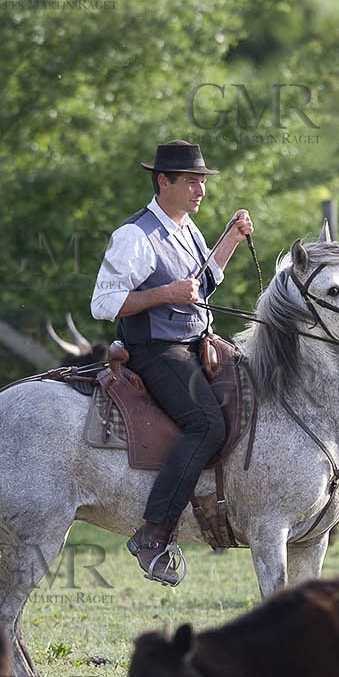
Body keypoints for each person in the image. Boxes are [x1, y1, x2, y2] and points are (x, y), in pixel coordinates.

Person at [90, 140, 254, 585]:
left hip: (195, 343)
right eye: (192, 181)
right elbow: (102, 304)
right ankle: (154, 533)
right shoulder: (135, 236)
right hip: (156, 351)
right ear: (165, 181)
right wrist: (165, 294)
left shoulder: (187, 229)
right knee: (207, 425)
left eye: (203, 181)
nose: (201, 190)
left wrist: (231, 239)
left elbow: (202, 282)